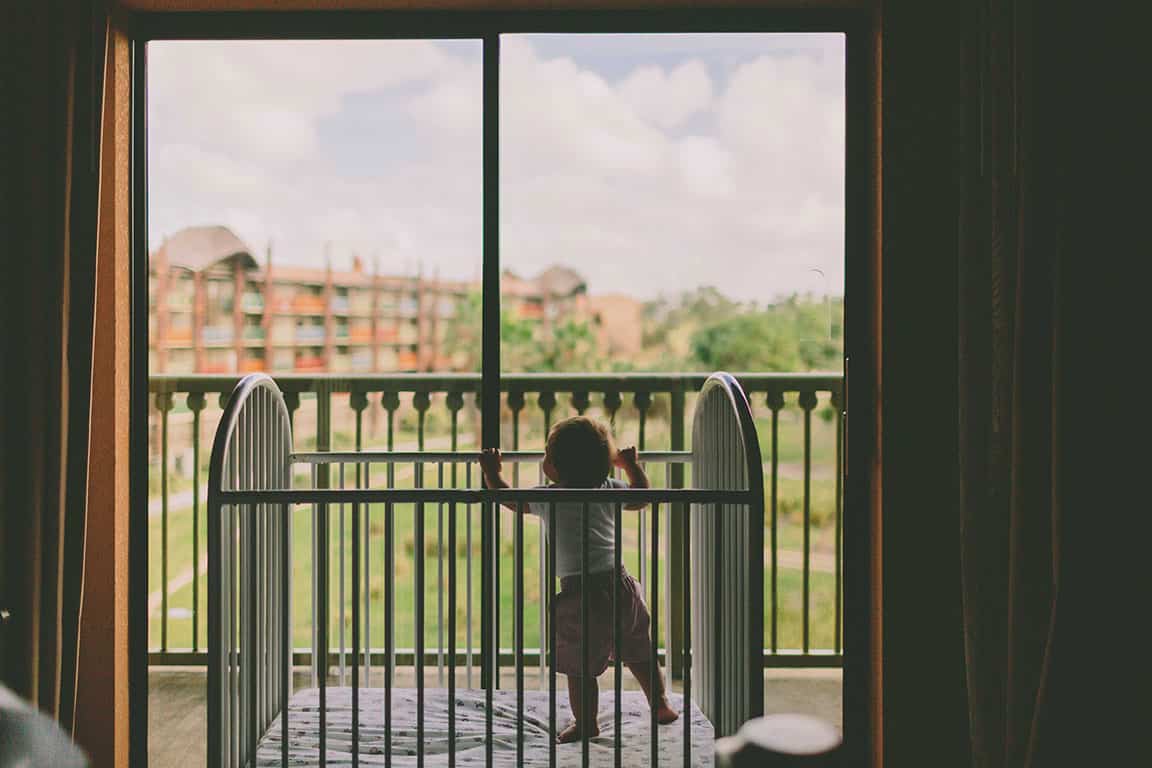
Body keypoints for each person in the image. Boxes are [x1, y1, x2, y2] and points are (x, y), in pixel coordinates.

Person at [479, 416, 679, 743]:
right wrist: (631, 466)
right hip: (621, 586)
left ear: (556, 467)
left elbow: (508, 498)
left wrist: (491, 472)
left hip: (582, 596)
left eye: (546, 454)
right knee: (639, 649)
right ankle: (659, 704)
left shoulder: (551, 497)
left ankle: (587, 722)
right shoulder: (609, 489)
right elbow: (642, 496)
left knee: (579, 665)